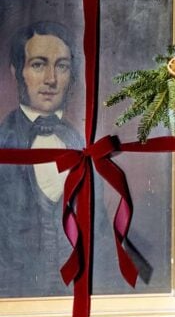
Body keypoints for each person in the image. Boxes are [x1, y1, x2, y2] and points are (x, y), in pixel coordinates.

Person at [0, 22, 109, 297]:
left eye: (61, 66)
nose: (51, 79)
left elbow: (101, 236)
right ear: (17, 72)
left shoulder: (84, 144)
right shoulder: (3, 140)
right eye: (38, 65)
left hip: (78, 294)